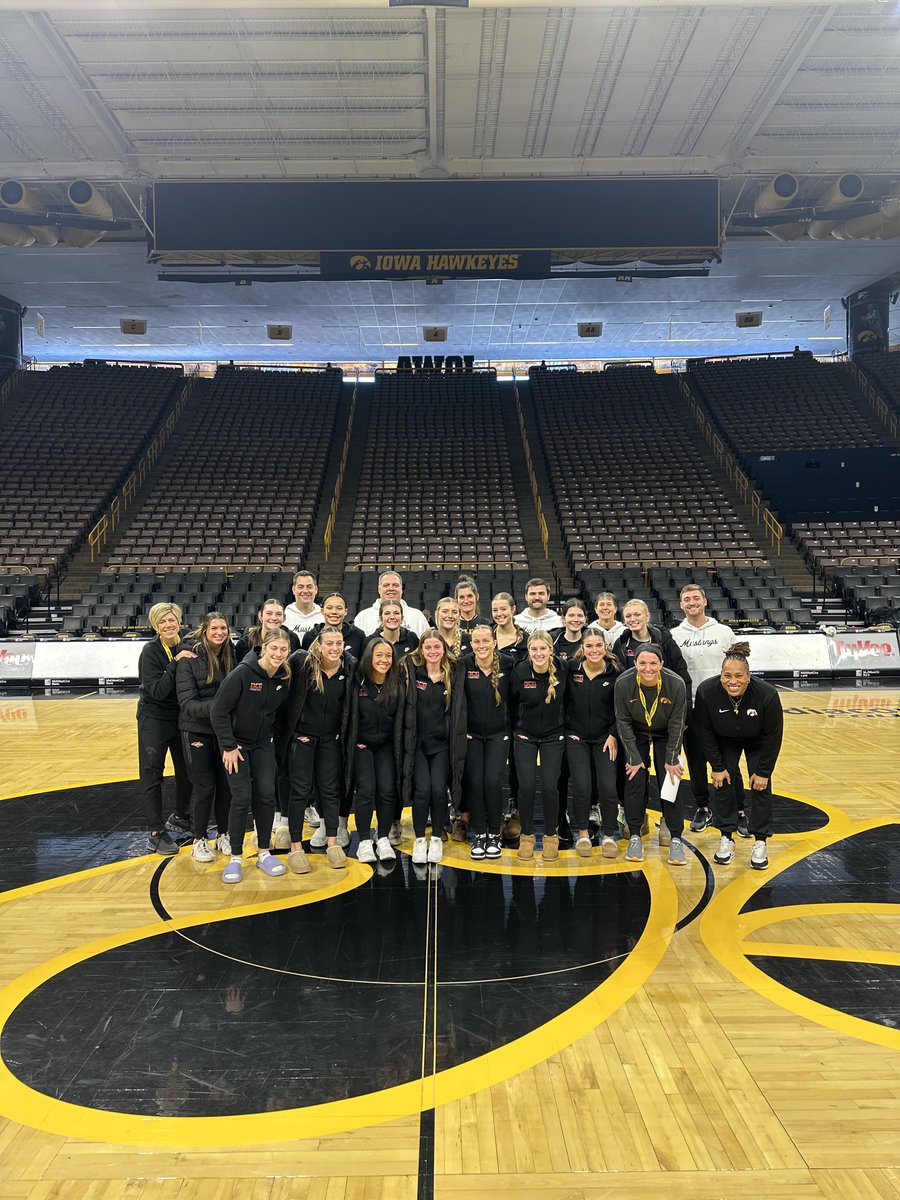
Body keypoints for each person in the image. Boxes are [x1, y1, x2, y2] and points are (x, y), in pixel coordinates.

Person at [209, 627, 292, 884]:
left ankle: (264, 852)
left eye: (284, 649)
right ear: (264, 648)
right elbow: (218, 711)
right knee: (242, 797)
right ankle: (235, 857)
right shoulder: (243, 673)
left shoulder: (284, 676)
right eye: (274, 648)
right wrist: (228, 746)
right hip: (237, 746)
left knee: (266, 795)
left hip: (263, 744)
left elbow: (279, 713)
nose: (278, 654)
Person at [693, 643, 784, 871]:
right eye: (727, 676)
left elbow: (773, 737)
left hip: (757, 740)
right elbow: (704, 732)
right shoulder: (706, 691)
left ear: (748, 677)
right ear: (720, 675)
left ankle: (760, 841)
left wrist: (763, 772)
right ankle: (726, 837)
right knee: (722, 782)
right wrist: (717, 766)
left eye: (738, 676)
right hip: (724, 738)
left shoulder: (767, 695)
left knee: (761, 786)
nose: (732, 681)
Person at [613, 598, 692, 846]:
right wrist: (633, 756)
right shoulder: (622, 650)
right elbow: (622, 719)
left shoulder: (666, 647)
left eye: (638, 614)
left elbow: (682, 679)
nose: (647, 667)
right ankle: (636, 823)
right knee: (634, 774)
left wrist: (672, 755)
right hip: (636, 726)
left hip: (665, 727)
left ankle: (671, 824)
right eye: (628, 615)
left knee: (670, 774)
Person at [280, 627, 355, 871]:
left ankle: (332, 843)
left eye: (339, 643)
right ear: (319, 645)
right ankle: (295, 847)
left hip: (330, 740)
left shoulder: (349, 667)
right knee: (300, 791)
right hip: (303, 738)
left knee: (330, 790)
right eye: (329, 643)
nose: (334, 648)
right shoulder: (301, 663)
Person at [671, 583, 735, 835]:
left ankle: (731, 810)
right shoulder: (674, 635)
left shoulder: (724, 632)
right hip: (690, 707)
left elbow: (737, 668)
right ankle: (702, 807)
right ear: (681, 605)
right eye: (686, 599)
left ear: (705, 601)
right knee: (695, 761)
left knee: (725, 759)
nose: (692, 603)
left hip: (721, 706)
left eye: (696, 598)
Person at [399, 629, 465, 866]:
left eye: (437, 647)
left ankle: (436, 837)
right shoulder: (411, 672)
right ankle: (419, 838)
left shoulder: (453, 673)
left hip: (441, 745)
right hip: (416, 745)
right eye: (428, 647)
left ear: (444, 650)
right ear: (421, 649)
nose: (433, 651)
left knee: (438, 790)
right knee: (422, 791)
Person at [176, 611, 236, 862]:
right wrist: (221, 708)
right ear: (204, 631)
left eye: (223, 628)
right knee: (204, 787)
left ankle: (223, 834)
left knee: (225, 786)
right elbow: (187, 704)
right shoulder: (188, 659)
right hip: (196, 731)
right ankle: (199, 839)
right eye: (214, 628)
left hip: (223, 732)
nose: (219, 632)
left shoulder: (231, 655)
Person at [137, 601, 196, 855]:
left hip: (181, 716)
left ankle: (182, 817)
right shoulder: (151, 651)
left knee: (188, 770)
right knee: (153, 774)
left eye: (171, 620)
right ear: (155, 626)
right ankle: (155, 831)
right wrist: (175, 664)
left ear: (179, 622)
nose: (168, 625)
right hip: (154, 717)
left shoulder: (188, 643)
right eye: (162, 621)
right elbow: (158, 691)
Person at [508, 630, 567, 861]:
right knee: (527, 786)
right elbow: (512, 703)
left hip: (554, 735)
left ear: (551, 650)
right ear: (529, 651)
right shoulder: (520, 671)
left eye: (543, 649)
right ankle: (527, 836)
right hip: (526, 735)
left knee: (551, 787)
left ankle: (551, 836)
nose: (539, 653)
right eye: (534, 649)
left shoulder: (563, 669)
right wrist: (516, 731)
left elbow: (570, 700)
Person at [565, 629, 621, 858]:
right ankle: (583, 834)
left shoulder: (616, 673)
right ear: (582, 648)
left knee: (607, 786)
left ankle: (609, 835)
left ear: (605, 647)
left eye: (599, 645)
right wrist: (567, 731)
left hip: (605, 738)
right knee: (582, 786)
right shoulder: (571, 669)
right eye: (589, 646)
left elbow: (622, 709)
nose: (594, 650)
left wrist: (613, 734)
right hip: (576, 737)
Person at [347, 638, 402, 864]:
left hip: (386, 746)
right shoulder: (357, 680)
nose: (384, 660)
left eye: (388, 656)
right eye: (379, 655)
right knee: (366, 790)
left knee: (387, 790)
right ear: (369, 656)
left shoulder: (397, 682)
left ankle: (383, 837)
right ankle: (363, 841)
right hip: (362, 745)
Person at [461, 625, 511, 860]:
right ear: (471, 645)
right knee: (474, 782)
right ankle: (479, 833)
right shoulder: (464, 665)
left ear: (494, 643)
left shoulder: (508, 664)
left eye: (485, 641)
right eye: (477, 642)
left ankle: (494, 833)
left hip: (499, 734)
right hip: (472, 734)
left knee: (492, 781)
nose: (481, 646)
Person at [354, 570, 429, 637]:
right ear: (379, 589)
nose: (391, 589)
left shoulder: (417, 616)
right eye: (386, 585)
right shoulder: (363, 617)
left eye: (395, 585)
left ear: (401, 589)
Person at [301, 592, 365, 660]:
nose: (334, 612)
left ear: (346, 611)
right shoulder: (310, 636)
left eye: (339, 608)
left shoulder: (358, 635)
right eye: (329, 608)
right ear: (322, 611)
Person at [235, 598, 301, 660]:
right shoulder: (245, 642)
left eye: (279, 614)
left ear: (284, 618)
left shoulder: (293, 639)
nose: (274, 618)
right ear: (260, 615)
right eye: (269, 613)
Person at [283, 570, 322, 636]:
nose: (305, 591)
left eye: (309, 587)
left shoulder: (323, 616)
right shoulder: (284, 615)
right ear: (293, 590)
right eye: (300, 587)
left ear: (316, 590)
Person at [491, 592, 527, 663]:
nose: (499, 614)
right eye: (495, 610)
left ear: (513, 609)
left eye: (503, 609)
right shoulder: (486, 635)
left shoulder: (525, 640)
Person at [554, 598, 588, 663]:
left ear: (585, 619)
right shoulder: (553, 641)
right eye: (571, 615)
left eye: (580, 616)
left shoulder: (591, 641)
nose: (576, 619)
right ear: (563, 618)